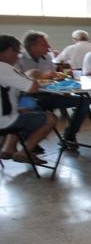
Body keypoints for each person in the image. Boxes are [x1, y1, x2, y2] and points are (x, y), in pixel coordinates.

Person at [16, 31, 90, 147]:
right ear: (32, 46)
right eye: (44, 44)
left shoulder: (46, 58)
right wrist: (42, 77)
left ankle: (69, 135)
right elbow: (18, 82)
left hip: (48, 94)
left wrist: (59, 76)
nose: (49, 47)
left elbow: (52, 79)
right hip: (26, 95)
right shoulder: (19, 59)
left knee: (84, 101)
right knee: (32, 107)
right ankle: (30, 141)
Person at [0, 35, 56, 164]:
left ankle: (9, 148)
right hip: (3, 121)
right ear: (9, 51)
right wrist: (32, 75)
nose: (17, 56)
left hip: (5, 114)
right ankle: (24, 152)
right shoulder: (5, 68)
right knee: (50, 118)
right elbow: (32, 88)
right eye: (17, 52)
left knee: (22, 111)